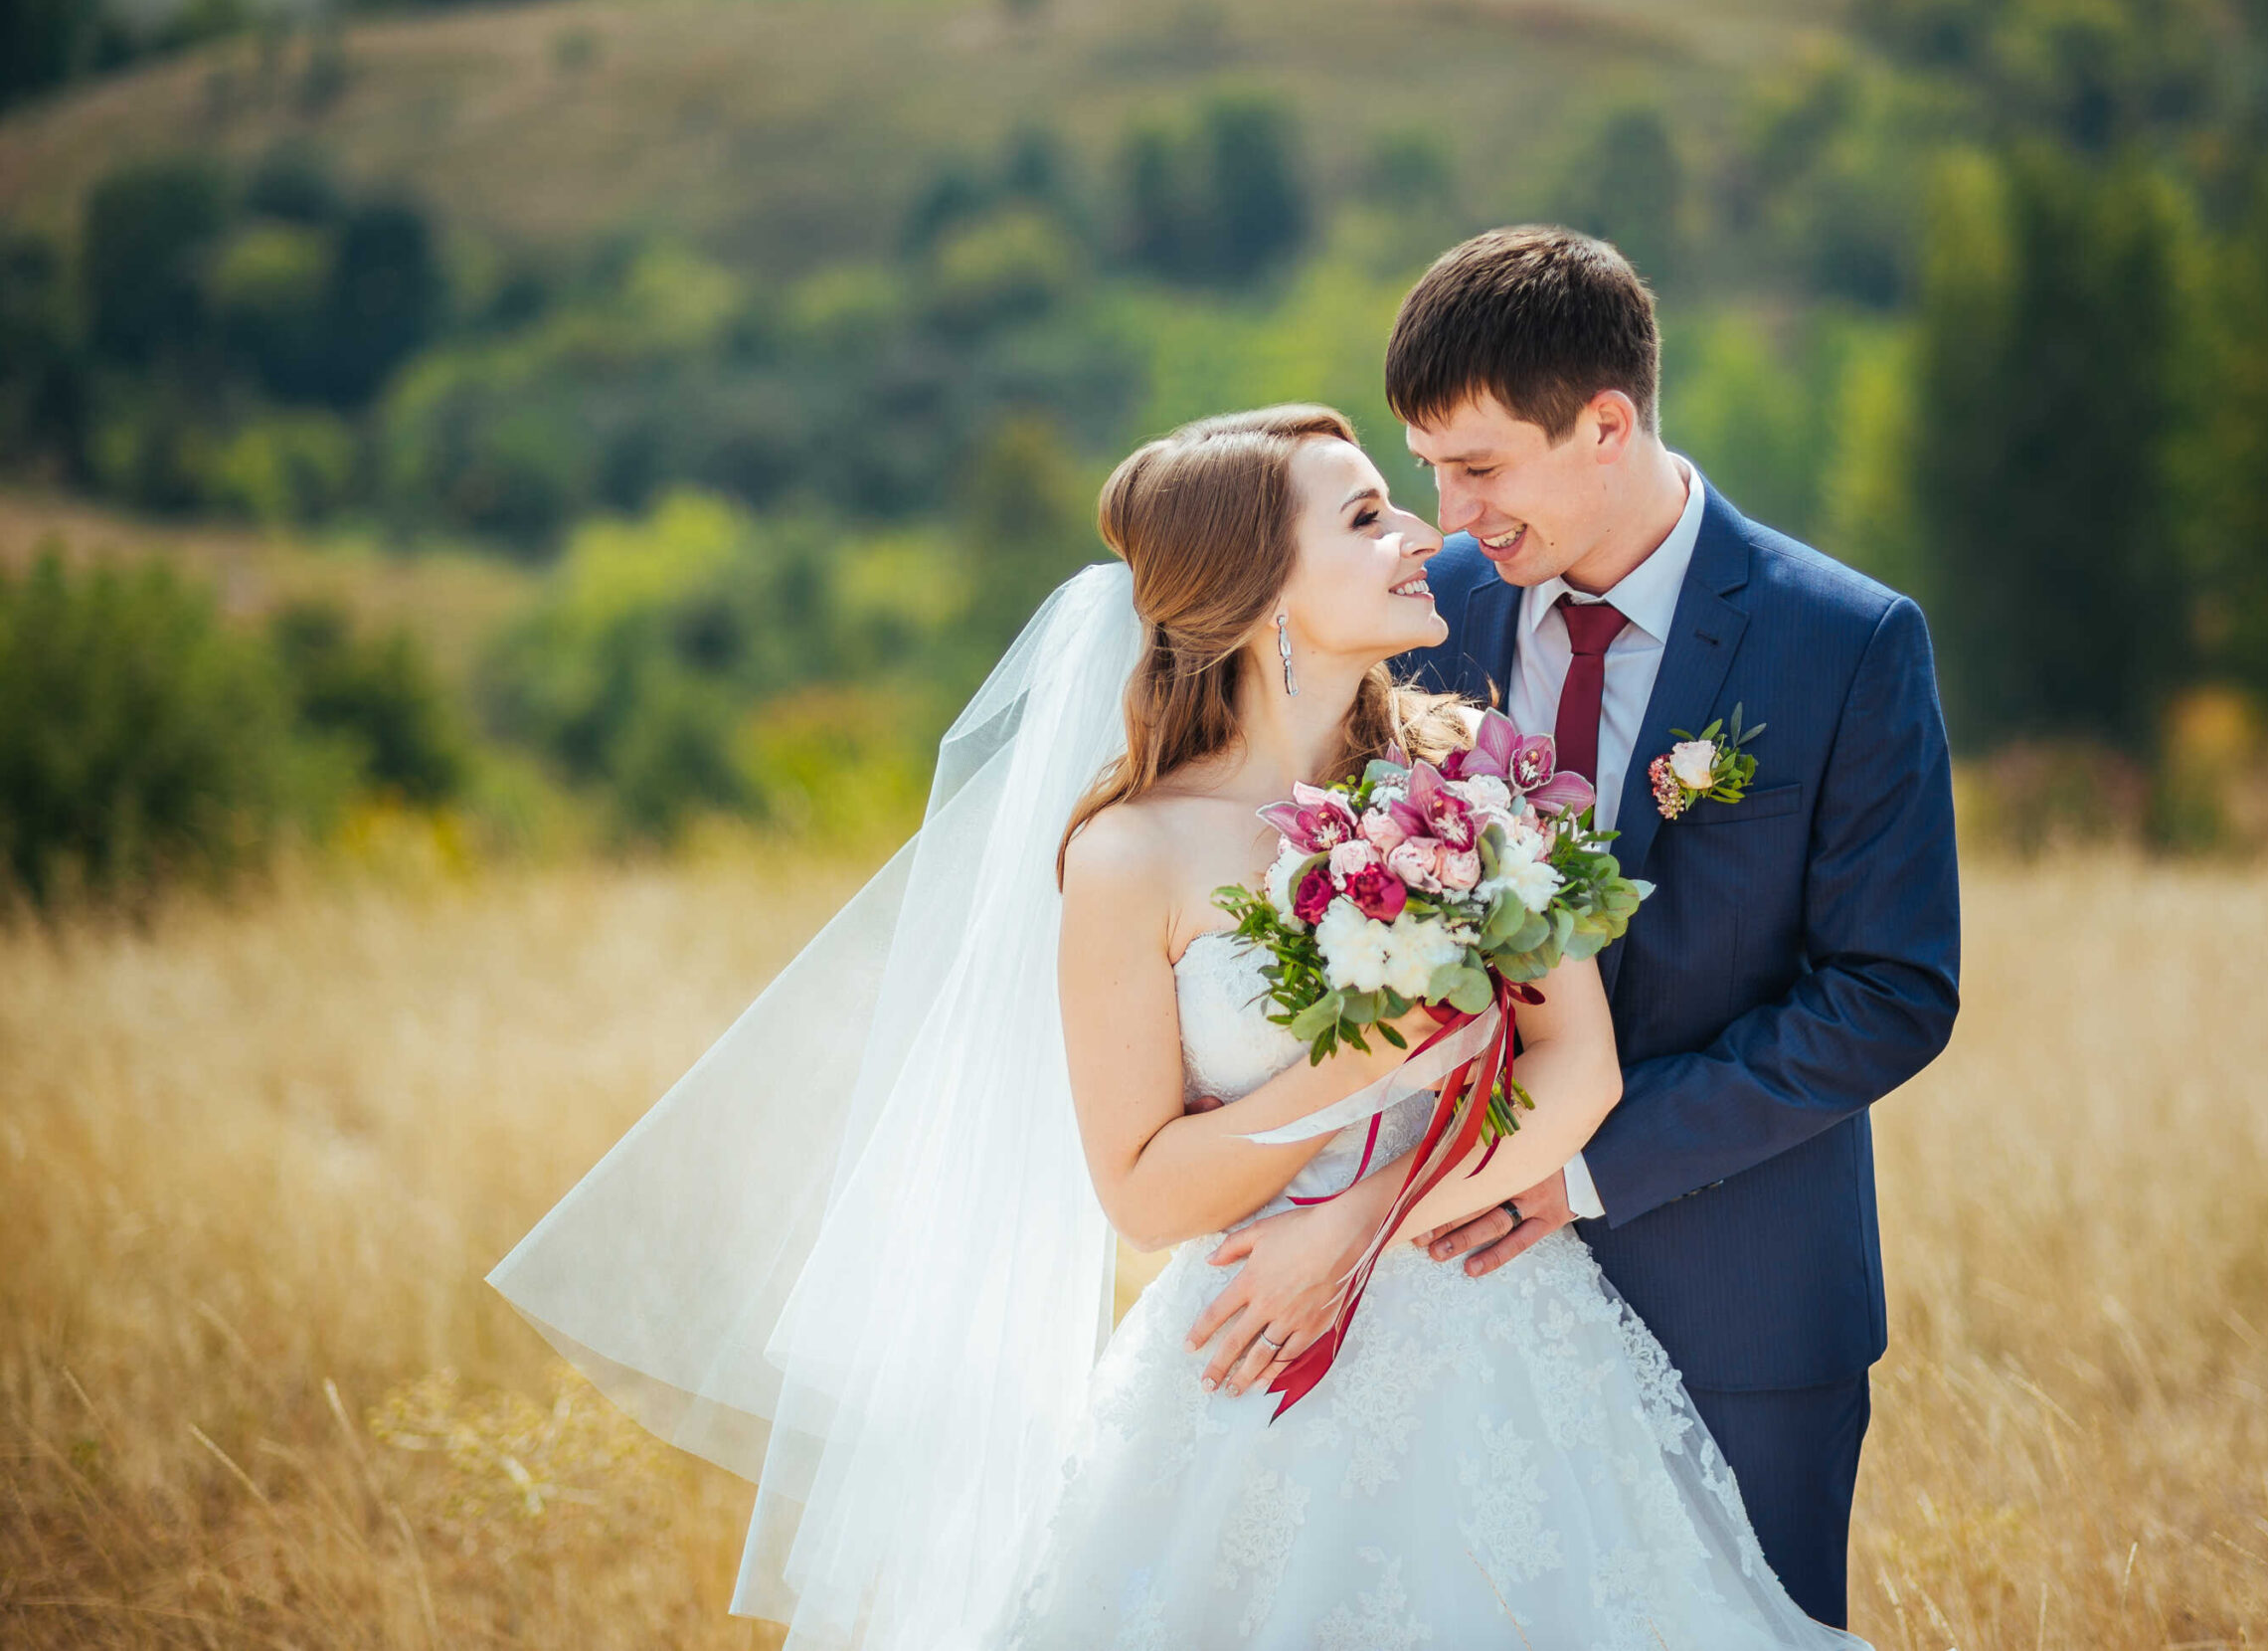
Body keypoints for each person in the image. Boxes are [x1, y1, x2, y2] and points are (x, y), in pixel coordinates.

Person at [489, 400, 1867, 1651]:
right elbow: (1142, 1188)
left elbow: (1582, 1067)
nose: (1419, 539)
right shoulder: (1130, 859)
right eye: (1367, 516)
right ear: (1262, 591)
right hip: (1250, 1370)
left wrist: (1367, 1215)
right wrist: (1351, 1064)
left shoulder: (1470, 769)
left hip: (1501, 1327)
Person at [1194, 227, 1963, 1631]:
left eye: (1478, 466)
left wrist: (1588, 1165)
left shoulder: (1845, 643)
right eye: (1425, 467)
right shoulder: (1424, 619)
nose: (1447, 511)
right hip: (1440, 1330)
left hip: (1740, 1305)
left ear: (1606, 424)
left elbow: (1891, 990)